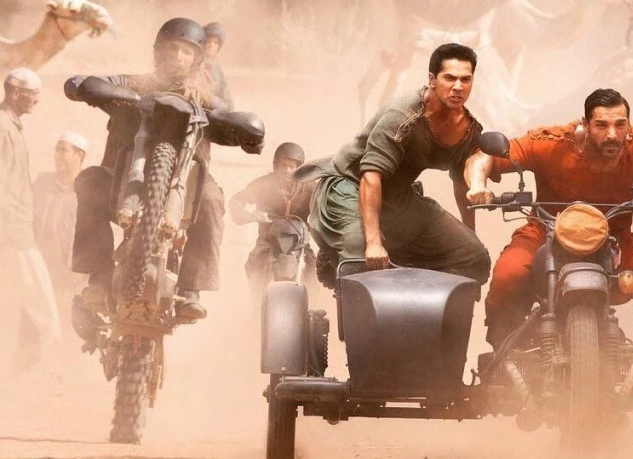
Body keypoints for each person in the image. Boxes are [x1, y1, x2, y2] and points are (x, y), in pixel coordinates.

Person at [467, 88, 633, 358]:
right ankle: (506, 354)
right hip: (546, 232)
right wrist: (477, 185)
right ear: (586, 125)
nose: (612, 134)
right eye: (601, 125)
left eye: (620, 125)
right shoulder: (551, 142)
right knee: (510, 273)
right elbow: (482, 158)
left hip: (614, 238)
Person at [64, 17, 263, 324]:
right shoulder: (133, 84)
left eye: (185, 51)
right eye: (170, 48)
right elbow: (81, 83)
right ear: (157, 52)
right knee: (90, 180)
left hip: (187, 188)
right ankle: (99, 277)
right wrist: (87, 88)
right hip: (121, 181)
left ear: (196, 59)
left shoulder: (206, 99)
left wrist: (247, 132)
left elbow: (230, 116)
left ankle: (191, 289)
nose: (177, 56)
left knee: (212, 198)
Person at [296, 43, 491, 287]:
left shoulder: (467, 127)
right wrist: (373, 242)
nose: (458, 87)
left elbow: (465, 178)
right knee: (361, 257)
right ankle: (336, 257)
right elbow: (370, 177)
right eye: (450, 78)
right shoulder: (403, 118)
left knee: (473, 256)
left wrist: (471, 231)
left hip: (397, 196)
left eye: (466, 79)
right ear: (432, 80)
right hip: (349, 187)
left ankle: (428, 308)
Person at [0, 67, 60, 373]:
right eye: (32, 94)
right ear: (14, 93)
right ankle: (47, 357)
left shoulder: (12, 126)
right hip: (11, 227)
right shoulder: (2, 126)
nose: (37, 100)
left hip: (16, 225)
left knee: (17, 296)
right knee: (37, 292)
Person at [229, 142, 315, 292]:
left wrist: (319, 221)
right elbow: (236, 201)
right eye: (283, 166)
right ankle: (258, 301)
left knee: (313, 269)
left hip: (299, 242)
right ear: (276, 166)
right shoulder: (263, 184)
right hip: (268, 241)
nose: (287, 170)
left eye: (291, 166)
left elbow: (326, 204)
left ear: (299, 168)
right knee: (254, 265)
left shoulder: (309, 187)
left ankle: (310, 304)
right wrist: (251, 216)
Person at [33, 131, 88, 291]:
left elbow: (94, 238)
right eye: (56, 150)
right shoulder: (42, 185)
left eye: (63, 150)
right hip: (39, 272)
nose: (57, 156)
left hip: (71, 278)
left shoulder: (88, 192)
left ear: (79, 156)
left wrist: (80, 271)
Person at [201, 21, 233, 110]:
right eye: (209, 41)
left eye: (215, 43)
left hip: (213, 112)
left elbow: (227, 98)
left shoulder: (217, 70)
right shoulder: (193, 63)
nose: (211, 46)